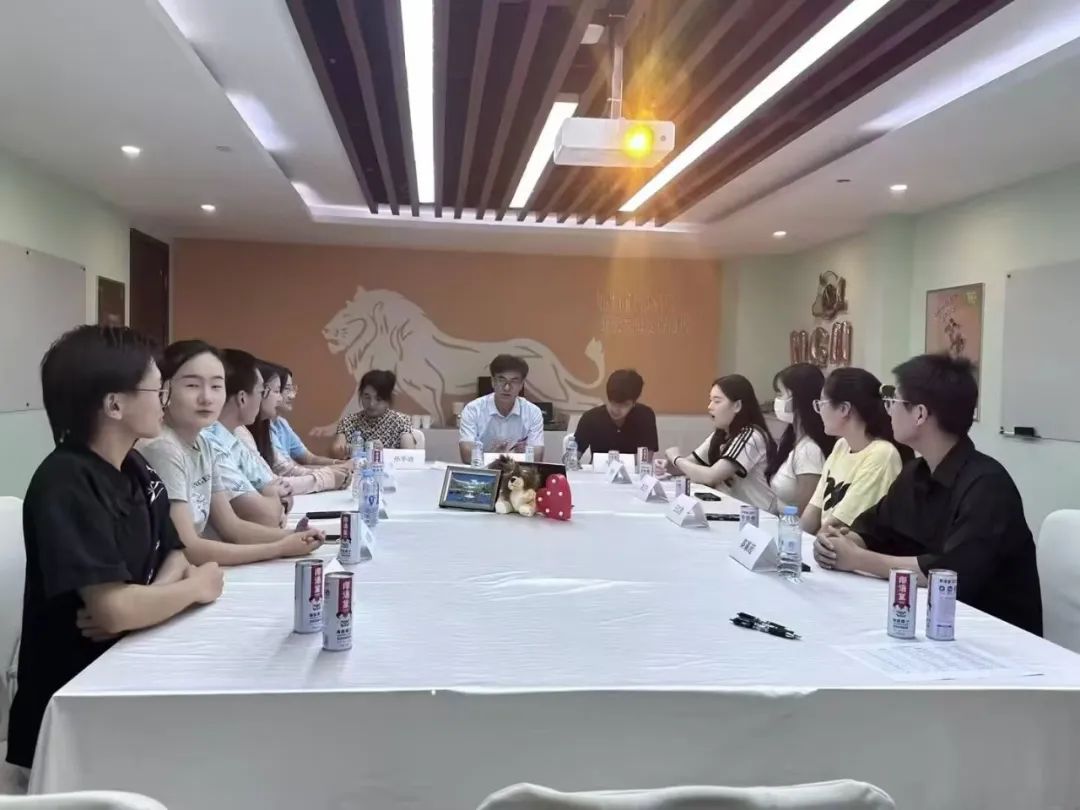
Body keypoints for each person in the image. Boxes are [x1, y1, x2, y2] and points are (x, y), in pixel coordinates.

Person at [6, 326, 224, 771]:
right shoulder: (66, 483)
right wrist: (194, 589)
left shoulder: (135, 466)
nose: (164, 401)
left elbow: (175, 552)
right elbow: (111, 611)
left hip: (127, 663)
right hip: (75, 705)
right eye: (157, 390)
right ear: (114, 404)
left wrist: (141, 606)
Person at [814, 354, 1042, 635]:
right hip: (928, 621)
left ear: (920, 414)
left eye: (894, 401)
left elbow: (949, 572)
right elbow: (875, 528)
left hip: (992, 635)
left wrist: (858, 559)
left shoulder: (988, 486)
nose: (888, 411)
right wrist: (840, 542)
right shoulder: (915, 473)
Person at [138, 341, 326, 562]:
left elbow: (232, 527)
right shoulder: (163, 449)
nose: (206, 398)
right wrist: (280, 548)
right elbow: (188, 547)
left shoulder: (202, 444)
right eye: (192, 385)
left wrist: (293, 536)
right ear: (164, 389)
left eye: (216, 386)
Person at [800, 367, 907, 535]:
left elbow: (839, 527)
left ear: (844, 409)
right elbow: (814, 508)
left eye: (821, 404)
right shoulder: (842, 445)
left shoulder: (882, 454)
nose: (819, 412)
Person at [661, 375, 777, 512]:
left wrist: (676, 458)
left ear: (737, 406)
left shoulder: (751, 435)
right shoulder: (721, 433)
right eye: (710, 400)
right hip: (730, 510)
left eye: (717, 401)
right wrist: (667, 466)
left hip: (757, 515)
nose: (710, 407)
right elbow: (689, 465)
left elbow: (711, 476)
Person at [201, 349, 289, 528]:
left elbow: (286, 494)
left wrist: (272, 500)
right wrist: (272, 496)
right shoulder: (210, 441)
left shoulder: (235, 437)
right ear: (242, 398)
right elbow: (265, 516)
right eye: (262, 392)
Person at [246, 361, 347, 494]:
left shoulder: (275, 424)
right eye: (278, 391)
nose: (288, 396)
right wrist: (328, 476)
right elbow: (276, 477)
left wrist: (335, 469)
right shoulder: (242, 433)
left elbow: (298, 462)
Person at [767, 364, 833, 513]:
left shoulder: (810, 450)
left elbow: (804, 512)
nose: (776, 400)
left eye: (780, 394)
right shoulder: (791, 440)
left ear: (796, 398)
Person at [458, 355, 545, 463]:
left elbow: (537, 457)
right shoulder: (473, 409)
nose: (507, 387)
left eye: (514, 381)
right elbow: (467, 455)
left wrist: (489, 456)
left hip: (519, 471)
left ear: (521, 385)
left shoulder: (533, 412)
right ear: (493, 382)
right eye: (501, 380)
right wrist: (511, 456)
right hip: (483, 471)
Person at [570, 369, 658, 458]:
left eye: (624, 405)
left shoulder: (645, 417)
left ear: (634, 402)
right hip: (598, 467)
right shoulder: (590, 418)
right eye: (612, 402)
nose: (616, 410)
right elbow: (572, 457)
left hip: (632, 467)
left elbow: (646, 459)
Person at [331, 369, 417, 457]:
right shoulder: (348, 422)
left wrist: (384, 452)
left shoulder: (401, 422)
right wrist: (345, 450)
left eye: (378, 399)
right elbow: (337, 451)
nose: (371, 404)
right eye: (367, 397)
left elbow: (410, 455)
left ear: (388, 399)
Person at [272, 365, 339, 466]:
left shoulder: (282, 424)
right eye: (287, 389)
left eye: (292, 389)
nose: (292, 396)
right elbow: (287, 469)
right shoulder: (262, 428)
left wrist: (339, 463)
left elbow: (308, 458)